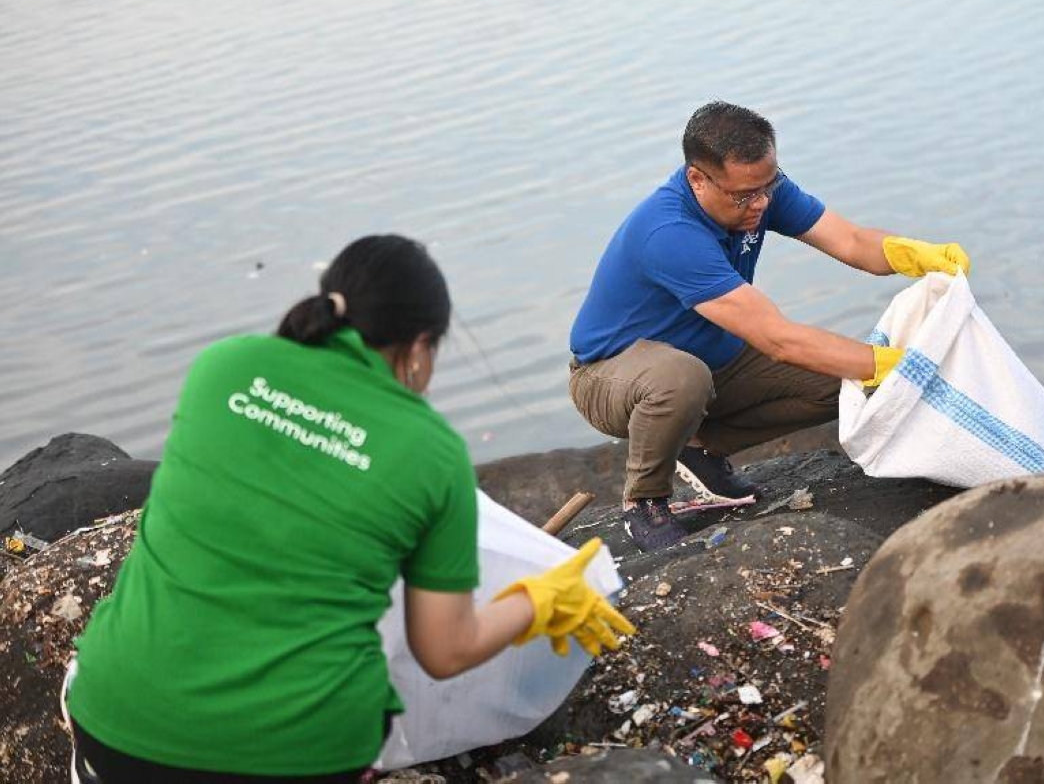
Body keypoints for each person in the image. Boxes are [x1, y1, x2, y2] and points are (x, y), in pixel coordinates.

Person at [67, 235, 634, 782]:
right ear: (417, 349)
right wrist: (538, 601)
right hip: (290, 753)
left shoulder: (223, 367)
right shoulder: (430, 451)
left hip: (114, 723)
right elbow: (445, 650)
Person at [568, 102, 971, 552]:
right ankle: (644, 502)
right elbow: (775, 338)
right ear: (697, 179)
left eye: (768, 185)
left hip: (712, 357)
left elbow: (852, 242)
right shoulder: (669, 233)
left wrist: (910, 255)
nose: (760, 202)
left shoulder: (759, 189)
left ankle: (700, 447)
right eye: (744, 195)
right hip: (612, 374)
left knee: (841, 383)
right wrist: (891, 365)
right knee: (680, 379)